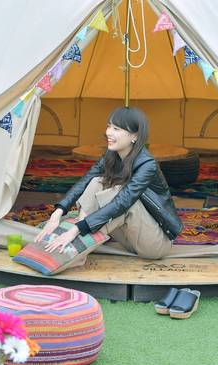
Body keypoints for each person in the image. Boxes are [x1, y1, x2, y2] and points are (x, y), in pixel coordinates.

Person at [35, 107, 182, 261]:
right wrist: (57, 213)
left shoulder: (147, 165)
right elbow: (86, 180)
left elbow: (123, 201)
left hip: (154, 244)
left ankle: (76, 237)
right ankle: (79, 227)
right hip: (129, 239)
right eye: (109, 126)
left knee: (124, 198)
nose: (108, 133)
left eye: (116, 129)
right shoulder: (111, 155)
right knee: (97, 181)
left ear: (134, 136)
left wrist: (76, 230)